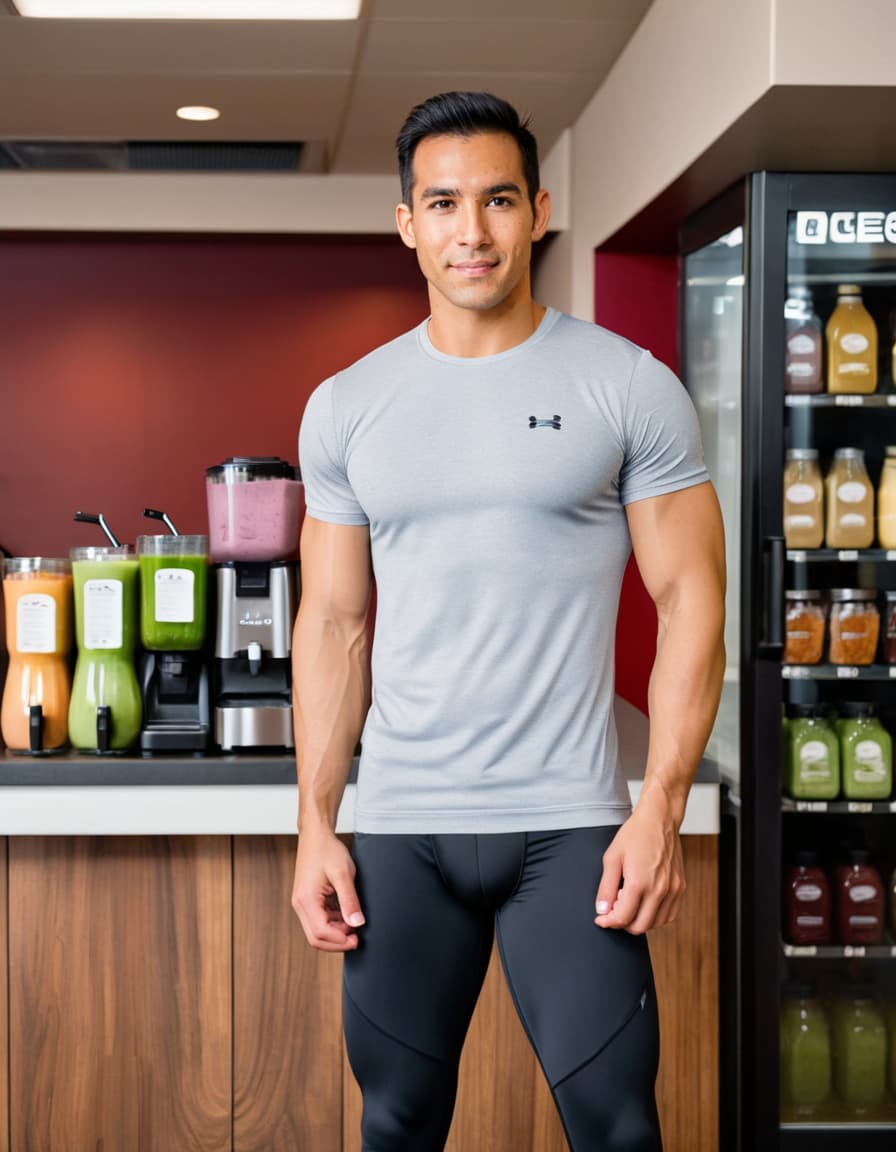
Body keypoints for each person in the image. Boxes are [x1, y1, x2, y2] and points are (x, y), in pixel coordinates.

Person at [291, 90, 725, 1152]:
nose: (469, 230)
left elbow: (691, 601)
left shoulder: (625, 386)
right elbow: (333, 624)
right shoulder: (348, 405)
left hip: (571, 824)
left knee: (617, 1129)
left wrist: (659, 805)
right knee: (394, 1124)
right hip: (401, 826)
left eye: (494, 200)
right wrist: (313, 821)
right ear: (407, 223)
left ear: (536, 210)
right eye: (441, 204)